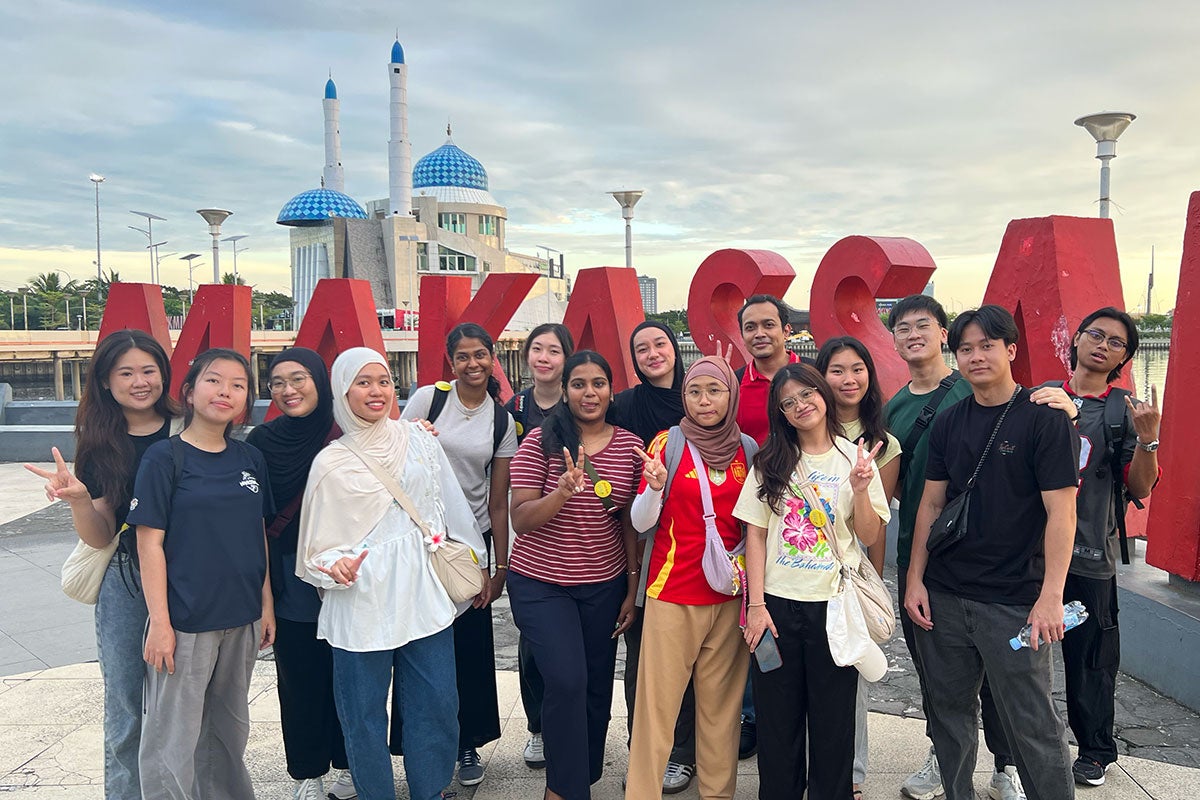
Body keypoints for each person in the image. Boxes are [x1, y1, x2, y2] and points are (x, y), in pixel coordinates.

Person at [904, 306, 1080, 800]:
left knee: (1033, 724)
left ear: (1011, 351)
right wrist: (916, 579)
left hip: (1014, 601)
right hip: (945, 593)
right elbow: (930, 505)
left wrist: (1051, 596)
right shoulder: (950, 421)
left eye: (987, 345)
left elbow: (1061, 513)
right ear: (954, 355)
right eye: (965, 348)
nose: (976, 356)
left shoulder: (1045, 419)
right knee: (949, 717)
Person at [297, 347, 486, 800]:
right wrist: (333, 566)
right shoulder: (330, 461)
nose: (376, 391)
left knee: (437, 703)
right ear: (343, 392)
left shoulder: (419, 439)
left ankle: (432, 788)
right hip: (361, 597)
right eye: (362, 382)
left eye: (382, 380)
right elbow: (315, 547)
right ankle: (373, 792)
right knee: (361, 713)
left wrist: (475, 561)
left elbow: (449, 507)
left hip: (422, 588)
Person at [25, 330, 178, 800]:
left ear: (164, 374)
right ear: (106, 383)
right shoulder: (100, 443)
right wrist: (77, 501)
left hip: (191, 579)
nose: (139, 381)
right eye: (125, 373)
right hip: (127, 584)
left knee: (189, 704)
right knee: (127, 705)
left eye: (148, 370)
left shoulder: (188, 428)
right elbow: (100, 535)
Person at [734, 363, 890, 799]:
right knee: (777, 721)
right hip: (778, 609)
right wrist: (757, 606)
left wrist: (860, 488)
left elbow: (870, 534)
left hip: (834, 607)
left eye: (807, 394)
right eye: (789, 401)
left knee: (834, 722)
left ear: (823, 394)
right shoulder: (771, 461)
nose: (801, 405)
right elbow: (757, 535)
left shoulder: (853, 458)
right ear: (780, 412)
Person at [884, 294, 1016, 800]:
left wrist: (1062, 402)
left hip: (990, 556)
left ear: (943, 335)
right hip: (923, 553)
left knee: (1000, 671)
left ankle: (1007, 765)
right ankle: (944, 755)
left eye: (924, 325)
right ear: (893, 340)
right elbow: (896, 486)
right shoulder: (896, 405)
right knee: (936, 671)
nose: (912, 334)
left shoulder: (974, 385)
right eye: (902, 328)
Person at [129, 348, 276, 800]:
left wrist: (266, 606)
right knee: (171, 737)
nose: (225, 391)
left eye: (238, 385)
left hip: (242, 617)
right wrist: (160, 624)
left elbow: (259, 535)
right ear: (190, 392)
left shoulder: (250, 459)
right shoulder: (164, 457)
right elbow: (148, 542)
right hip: (186, 621)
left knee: (228, 734)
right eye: (214, 381)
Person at [1029, 307, 1160, 788]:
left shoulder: (1123, 411)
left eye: (1116, 342)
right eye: (1095, 334)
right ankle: (1022, 743)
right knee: (1020, 652)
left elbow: (1140, 488)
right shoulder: (1041, 397)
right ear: (1077, 339)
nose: (1102, 345)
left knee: (1090, 659)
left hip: (1089, 558)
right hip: (1033, 555)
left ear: (1124, 357)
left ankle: (1095, 749)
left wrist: (1149, 441)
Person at [509, 350, 641, 800]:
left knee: (595, 687)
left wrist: (630, 586)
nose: (590, 393)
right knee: (566, 680)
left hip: (603, 586)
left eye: (599, 383)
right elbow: (521, 519)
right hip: (541, 584)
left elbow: (628, 521)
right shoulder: (541, 442)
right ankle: (563, 790)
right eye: (579, 384)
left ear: (610, 390)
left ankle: (580, 776)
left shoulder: (629, 446)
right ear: (564, 391)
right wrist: (562, 493)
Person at [625, 356, 753, 800]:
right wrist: (655, 486)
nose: (704, 401)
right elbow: (642, 522)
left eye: (714, 391)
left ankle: (718, 794)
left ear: (730, 395)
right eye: (695, 391)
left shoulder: (748, 450)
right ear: (684, 396)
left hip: (729, 598)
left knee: (721, 711)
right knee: (656, 712)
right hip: (672, 594)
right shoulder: (667, 444)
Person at [401, 322, 517, 787]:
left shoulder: (501, 421)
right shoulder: (429, 400)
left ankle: (466, 743)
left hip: (469, 544)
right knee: (418, 644)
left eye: (481, 355)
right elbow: (398, 459)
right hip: (419, 540)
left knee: (467, 646)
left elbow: (498, 498)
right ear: (450, 362)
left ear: (494, 358)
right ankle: (419, 740)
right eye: (463, 356)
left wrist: (498, 566)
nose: (473, 364)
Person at [246, 348, 353, 800]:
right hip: (290, 574)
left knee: (351, 672)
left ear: (321, 381)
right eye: (277, 382)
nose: (288, 390)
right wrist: (265, 595)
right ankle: (309, 772)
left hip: (350, 569)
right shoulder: (261, 442)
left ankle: (351, 763)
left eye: (299, 379)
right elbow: (254, 520)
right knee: (299, 675)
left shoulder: (347, 433)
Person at [608, 320, 698, 792]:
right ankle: (643, 747)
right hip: (641, 540)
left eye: (659, 343)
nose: (652, 353)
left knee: (693, 660)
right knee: (643, 656)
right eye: (641, 348)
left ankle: (685, 751)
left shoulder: (699, 394)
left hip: (697, 546)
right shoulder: (623, 405)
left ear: (674, 347)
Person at [817, 336, 901, 799]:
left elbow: (878, 520)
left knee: (852, 679)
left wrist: (874, 581)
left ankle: (853, 774)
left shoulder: (884, 444)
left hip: (851, 573)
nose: (848, 380)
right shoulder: (803, 427)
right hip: (801, 571)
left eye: (857, 370)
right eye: (836, 370)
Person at [732, 293, 806, 758]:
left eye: (768, 325)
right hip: (752, 516)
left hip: (805, 519)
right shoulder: (736, 385)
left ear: (785, 329)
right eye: (751, 327)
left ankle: (797, 715)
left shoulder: (808, 380)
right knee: (752, 611)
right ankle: (752, 716)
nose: (760, 334)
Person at [504, 322, 575, 770]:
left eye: (554, 350)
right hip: (529, 534)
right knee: (532, 645)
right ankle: (536, 729)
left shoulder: (583, 404)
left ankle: (571, 727)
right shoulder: (513, 409)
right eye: (537, 349)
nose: (543, 357)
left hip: (582, 546)